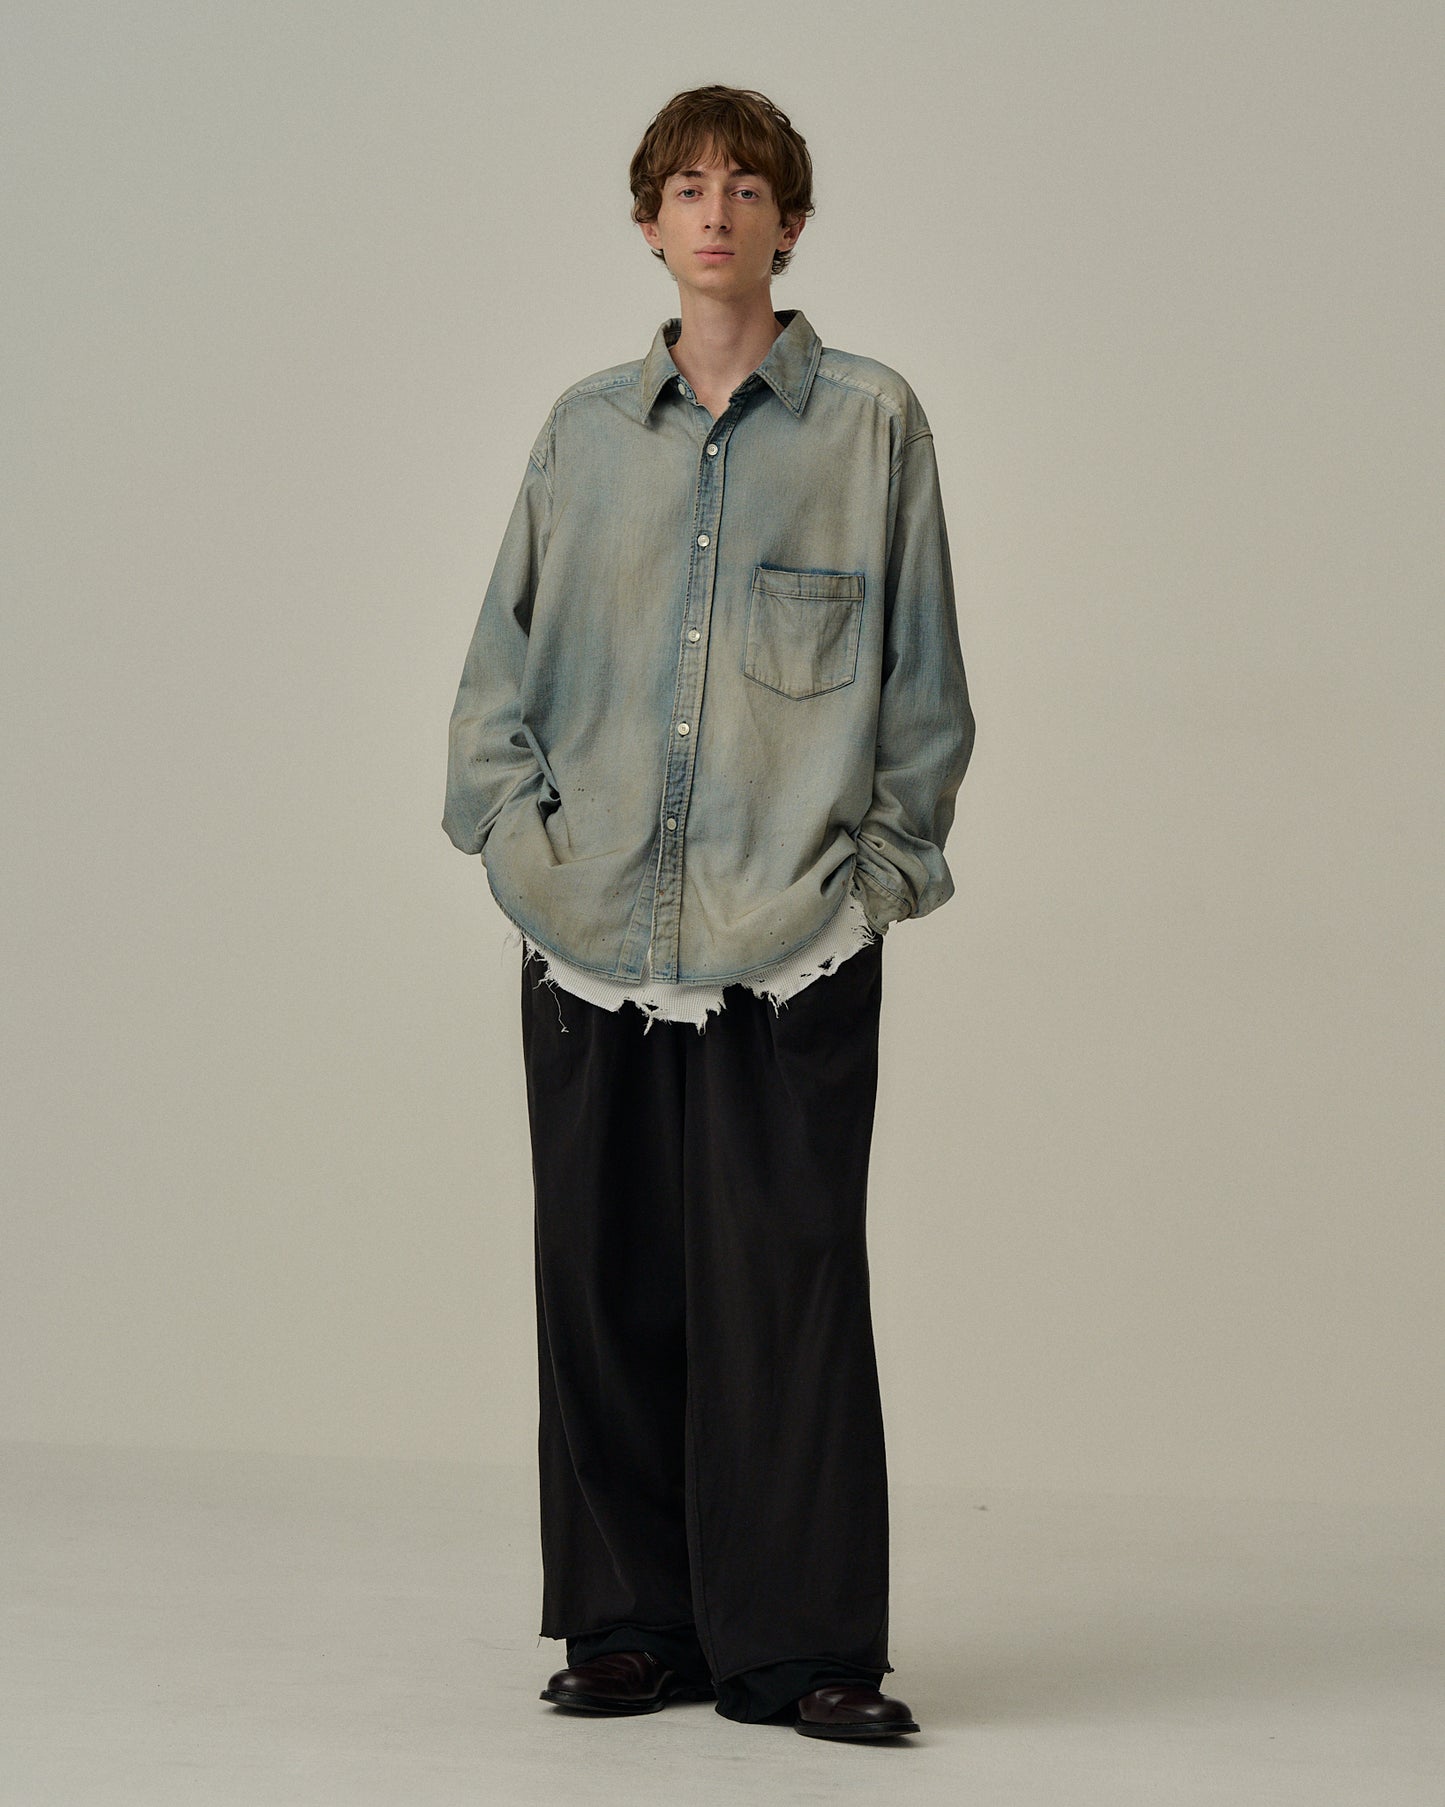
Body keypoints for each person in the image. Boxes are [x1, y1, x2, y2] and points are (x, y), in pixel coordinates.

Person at [442, 83, 975, 1742]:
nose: (717, 211)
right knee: (602, 1287)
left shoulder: (871, 425)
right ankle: (630, 1627)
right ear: (649, 222)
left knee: (787, 1299)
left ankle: (801, 1651)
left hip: (788, 940)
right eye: (687, 187)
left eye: (747, 187)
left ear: (789, 222)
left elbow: (923, 694)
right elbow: (495, 680)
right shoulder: (582, 432)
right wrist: (516, 846)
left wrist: (868, 894)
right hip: (587, 937)